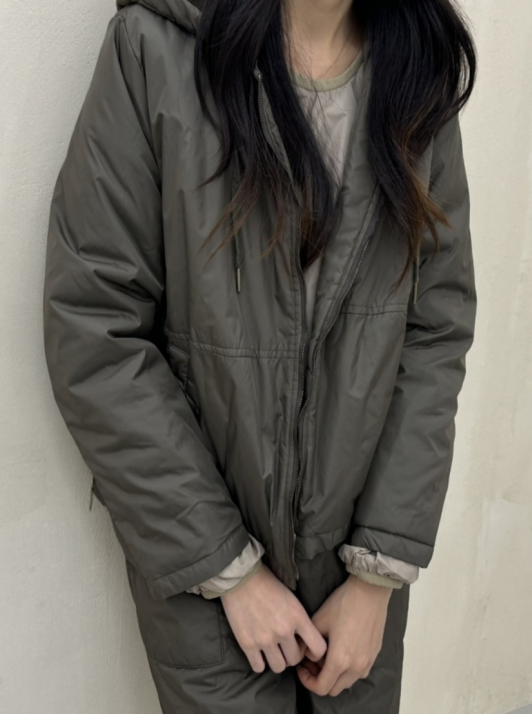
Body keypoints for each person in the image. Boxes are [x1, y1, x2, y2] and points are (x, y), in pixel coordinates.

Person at [42, 0, 477, 711]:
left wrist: (377, 575)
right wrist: (231, 571)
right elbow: (95, 328)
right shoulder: (154, 51)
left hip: (359, 579)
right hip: (207, 580)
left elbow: (435, 328)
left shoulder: (417, 71)